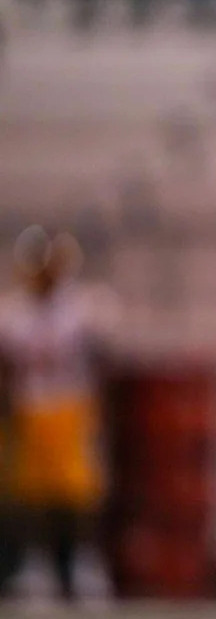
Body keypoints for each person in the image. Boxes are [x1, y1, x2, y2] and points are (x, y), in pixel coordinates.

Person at [0, 226, 111, 601]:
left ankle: (84, 564)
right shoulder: (12, 314)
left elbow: (104, 357)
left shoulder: (81, 309)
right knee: (32, 496)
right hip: (30, 410)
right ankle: (38, 566)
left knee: (80, 495)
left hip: (71, 407)